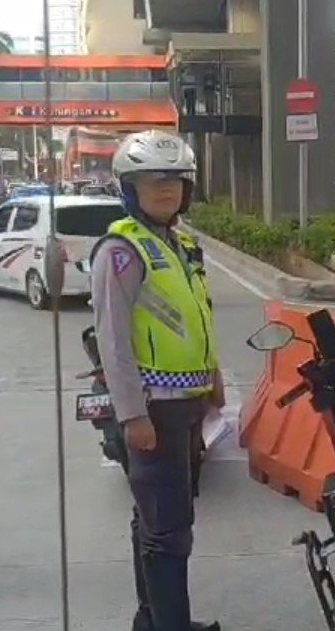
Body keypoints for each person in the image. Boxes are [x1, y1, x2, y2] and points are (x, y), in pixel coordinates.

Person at [90, 129, 222, 631]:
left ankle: (152, 620)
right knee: (169, 532)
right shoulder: (121, 251)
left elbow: (197, 315)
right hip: (154, 408)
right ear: (129, 188)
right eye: (151, 181)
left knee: (155, 520)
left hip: (186, 403)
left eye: (175, 180)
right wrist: (132, 415)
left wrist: (213, 378)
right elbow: (113, 340)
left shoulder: (182, 244)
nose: (166, 189)